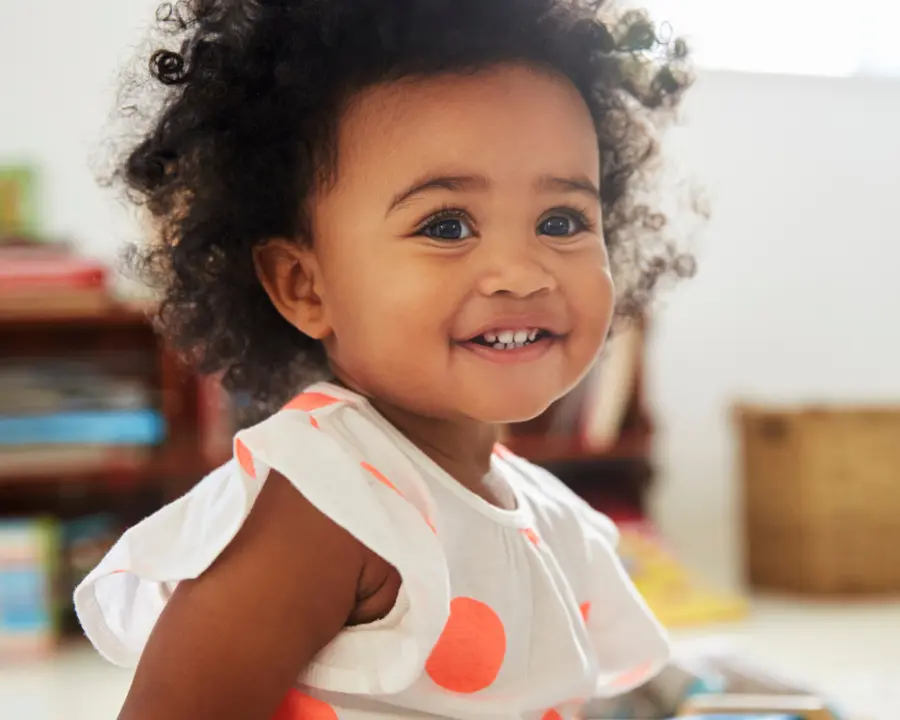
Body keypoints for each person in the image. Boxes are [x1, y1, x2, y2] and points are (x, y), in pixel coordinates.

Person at [75, 0, 693, 717]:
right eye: (447, 226)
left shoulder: (549, 514)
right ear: (304, 286)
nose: (522, 274)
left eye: (561, 221)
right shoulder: (325, 501)